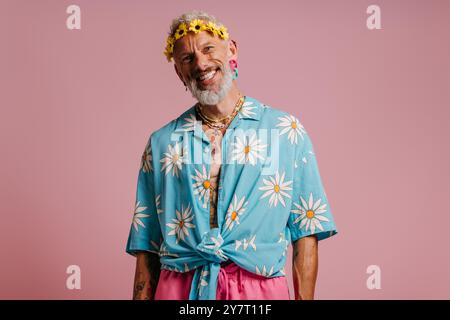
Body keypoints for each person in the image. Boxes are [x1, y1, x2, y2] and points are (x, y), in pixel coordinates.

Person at [125, 10, 338, 300]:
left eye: (208, 48)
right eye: (187, 58)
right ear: (179, 72)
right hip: (180, 290)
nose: (200, 63)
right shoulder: (163, 143)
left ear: (232, 50)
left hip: (258, 292)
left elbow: (306, 229)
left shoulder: (282, 131)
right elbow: (147, 244)